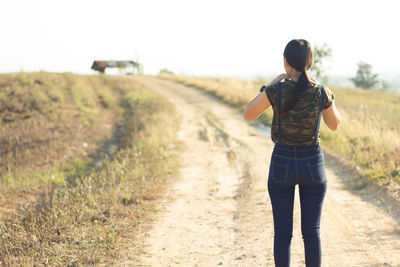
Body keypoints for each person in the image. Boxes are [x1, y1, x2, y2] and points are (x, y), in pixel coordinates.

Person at [243, 39, 342, 267]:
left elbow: (248, 114)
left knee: (282, 235)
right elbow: (335, 124)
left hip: (282, 164)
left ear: (286, 63)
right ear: (310, 63)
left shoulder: (277, 90)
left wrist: (271, 83)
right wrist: (326, 95)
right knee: (311, 233)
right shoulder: (320, 92)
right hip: (312, 165)